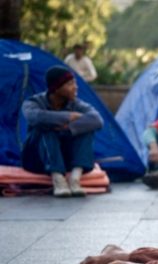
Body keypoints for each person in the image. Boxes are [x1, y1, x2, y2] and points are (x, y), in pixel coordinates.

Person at [21, 66, 104, 197]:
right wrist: (68, 116)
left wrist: (69, 128)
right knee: (45, 127)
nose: (76, 87)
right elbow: (34, 117)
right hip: (37, 159)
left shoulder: (76, 103)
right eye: (70, 84)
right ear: (56, 88)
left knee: (86, 130)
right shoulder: (33, 102)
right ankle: (58, 179)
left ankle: (75, 179)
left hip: (65, 160)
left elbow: (97, 120)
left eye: (75, 83)